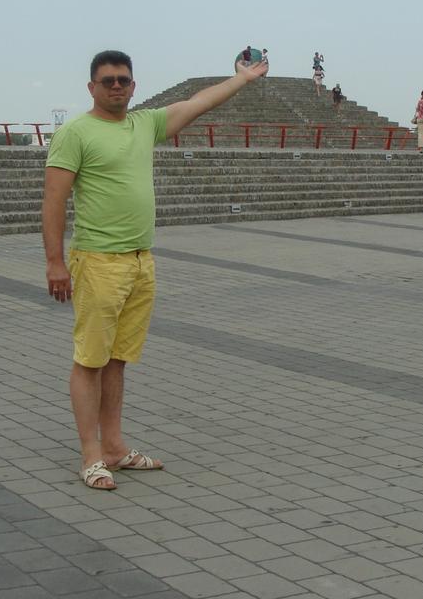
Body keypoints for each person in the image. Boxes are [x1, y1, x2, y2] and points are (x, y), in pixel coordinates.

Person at [43, 50, 268, 490]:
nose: (116, 86)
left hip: (140, 260)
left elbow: (199, 102)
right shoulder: (75, 133)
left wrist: (241, 79)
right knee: (90, 361)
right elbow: (53, 199)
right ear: (91, 87)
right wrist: (55, 263)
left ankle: (114, 447)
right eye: (107, 80)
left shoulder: (144, 124)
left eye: (123, 80)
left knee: (118, 361)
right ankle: (91, 456)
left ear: (133, 86)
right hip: (98, 261)